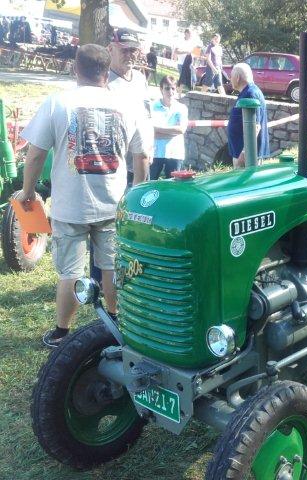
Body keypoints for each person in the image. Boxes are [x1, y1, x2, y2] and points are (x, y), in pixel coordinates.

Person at [15, 44, 149, 348]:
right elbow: (142, 157)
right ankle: (114, 321)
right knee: (113, 266)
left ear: (77, 69)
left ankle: (63, 331)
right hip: (114, 204)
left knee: (70, 272)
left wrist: (27, 191)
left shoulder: (57, 102)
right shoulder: (128, 105)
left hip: (70, 207)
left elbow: (35, 155)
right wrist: (136, 194)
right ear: (106, 70)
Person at [107, 28, 152, 186]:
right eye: (124, 50)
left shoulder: (140, 79)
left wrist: (150, 144)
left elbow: (147, 115)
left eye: (133, 50)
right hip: (112, 162)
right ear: (111, 49)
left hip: (140, 160)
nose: (129, 54)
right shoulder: (102, 79)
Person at [227, 63, 269, 168]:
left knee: (244, 184)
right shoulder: (247, 92)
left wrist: (245, 151)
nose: (229, 79)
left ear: (237, 78)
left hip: (247, 156)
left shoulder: (251, 94)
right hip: (241, 153)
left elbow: (255, 126)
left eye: (231, 76)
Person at [150, 75, 188, 179]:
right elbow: (150, 131)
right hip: (155, 152)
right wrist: (172, 132)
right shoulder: (152, 107)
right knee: (150, 186)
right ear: (161, 89)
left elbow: (181, 130)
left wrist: (157, 129)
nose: (170, 92)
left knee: (172, 188)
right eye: (167, 88)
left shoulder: (182, 108)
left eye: (173, 88)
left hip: (175, 153)